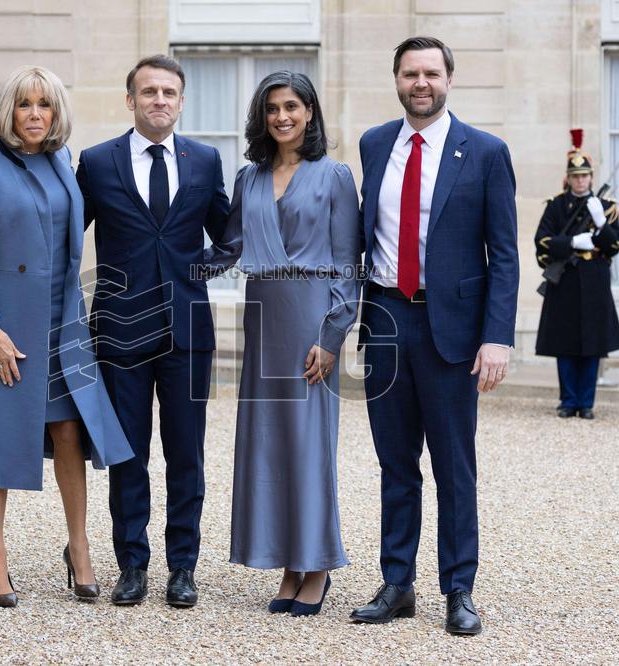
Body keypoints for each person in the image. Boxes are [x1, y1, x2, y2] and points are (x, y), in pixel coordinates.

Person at [0, 66, 133, 607]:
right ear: (8, 111)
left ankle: (79, 547)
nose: (35, 114)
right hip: (6, 324)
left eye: (45, 104)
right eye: (24, 104)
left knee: (69, 431)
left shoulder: (64, 162)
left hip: (62, 321)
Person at [350, 37, 519, 635]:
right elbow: (362, 236)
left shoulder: (486, 151)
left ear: (449, 79)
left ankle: (459, 589)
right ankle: (397, 583)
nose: (420, 83)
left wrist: (497, 337)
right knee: (395, 464)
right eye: (409, 74)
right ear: (396, 80)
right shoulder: (375, 144)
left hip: (453, 331)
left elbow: (504, 254)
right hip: (386, 319)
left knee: (454, 466)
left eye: (430, 73)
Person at [201, 71, 361, 617]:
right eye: (272, 108)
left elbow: (348, 263)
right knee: (270, 442)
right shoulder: (249, 178)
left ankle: (316, 565)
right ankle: (290, 563)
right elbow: (228, 248)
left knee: (309, 442)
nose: (282, 117)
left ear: (309, 111)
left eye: (291, 106)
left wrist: (332, 335)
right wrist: (169, 264)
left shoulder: (335, 176)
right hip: (264, 314)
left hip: (312, 318)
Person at [75, 55, 229, 608]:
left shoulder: (205, 160)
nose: (159, 100)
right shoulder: (97, 162)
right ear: (130, 100)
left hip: (188, 332)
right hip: (120, 332)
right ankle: (132, 565)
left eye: (168, 92)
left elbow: (230, 235)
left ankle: (183, 567)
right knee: (128, 455)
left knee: (186, 455)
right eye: (148, 92)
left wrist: (197, 273)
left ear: (181, 101)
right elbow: (68, 236)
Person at [534, 132, 619, 419]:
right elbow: (542, 241)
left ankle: (586, 403)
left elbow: (614, 246)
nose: (580, 181)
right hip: (566, 279)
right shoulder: (557, 205)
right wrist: (572, 242)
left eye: (584, 175)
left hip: (594, 278)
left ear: (591, 177)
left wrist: (601, 223)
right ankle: (568, 400)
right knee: (565, 342)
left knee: (592, 343)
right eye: (575, 176)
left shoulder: (606, 208)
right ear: (569, 178)